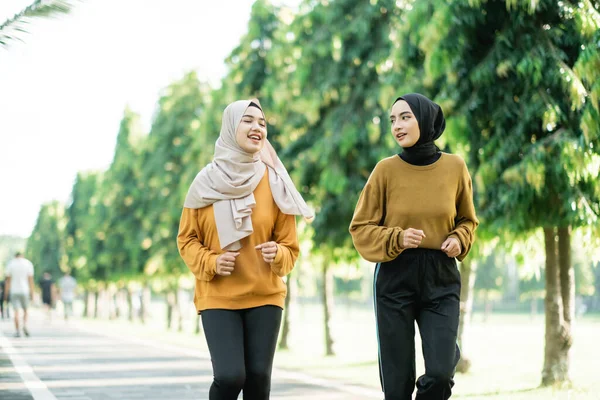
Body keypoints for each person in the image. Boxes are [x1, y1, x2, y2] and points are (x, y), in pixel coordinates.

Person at [177, 99, 313, 400]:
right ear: (230, 127)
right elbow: (186, 240)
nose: (257, 127)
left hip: (265, 295)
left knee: (258, 380)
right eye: (248, 120)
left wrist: (277, 253)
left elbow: (290, 247)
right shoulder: (204, 183)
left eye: (262, 123)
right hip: (218, 296)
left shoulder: (275, 180)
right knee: (229, 376)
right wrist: (211, 261)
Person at [349, 93, 478, 400]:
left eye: (405, 117)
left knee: (440, 374)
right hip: (395, 277)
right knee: (397, 385)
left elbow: (468, 220)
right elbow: (360, 228)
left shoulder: (455, 167)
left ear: (426, 119)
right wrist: (396, 238)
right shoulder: (385, 170)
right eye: (392, 119)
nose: (397, 125)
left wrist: (458, 240)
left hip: (441, 276)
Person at [3, 252, 34, 337]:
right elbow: (30, 280)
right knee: (25, 310)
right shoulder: (28, 263)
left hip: (14, 290)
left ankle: (17, 330)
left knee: (16, 311)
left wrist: (5, 294)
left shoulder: (11, 264)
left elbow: (8, 281)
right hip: (25, 290)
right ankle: (24, 324)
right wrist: (32, 293)